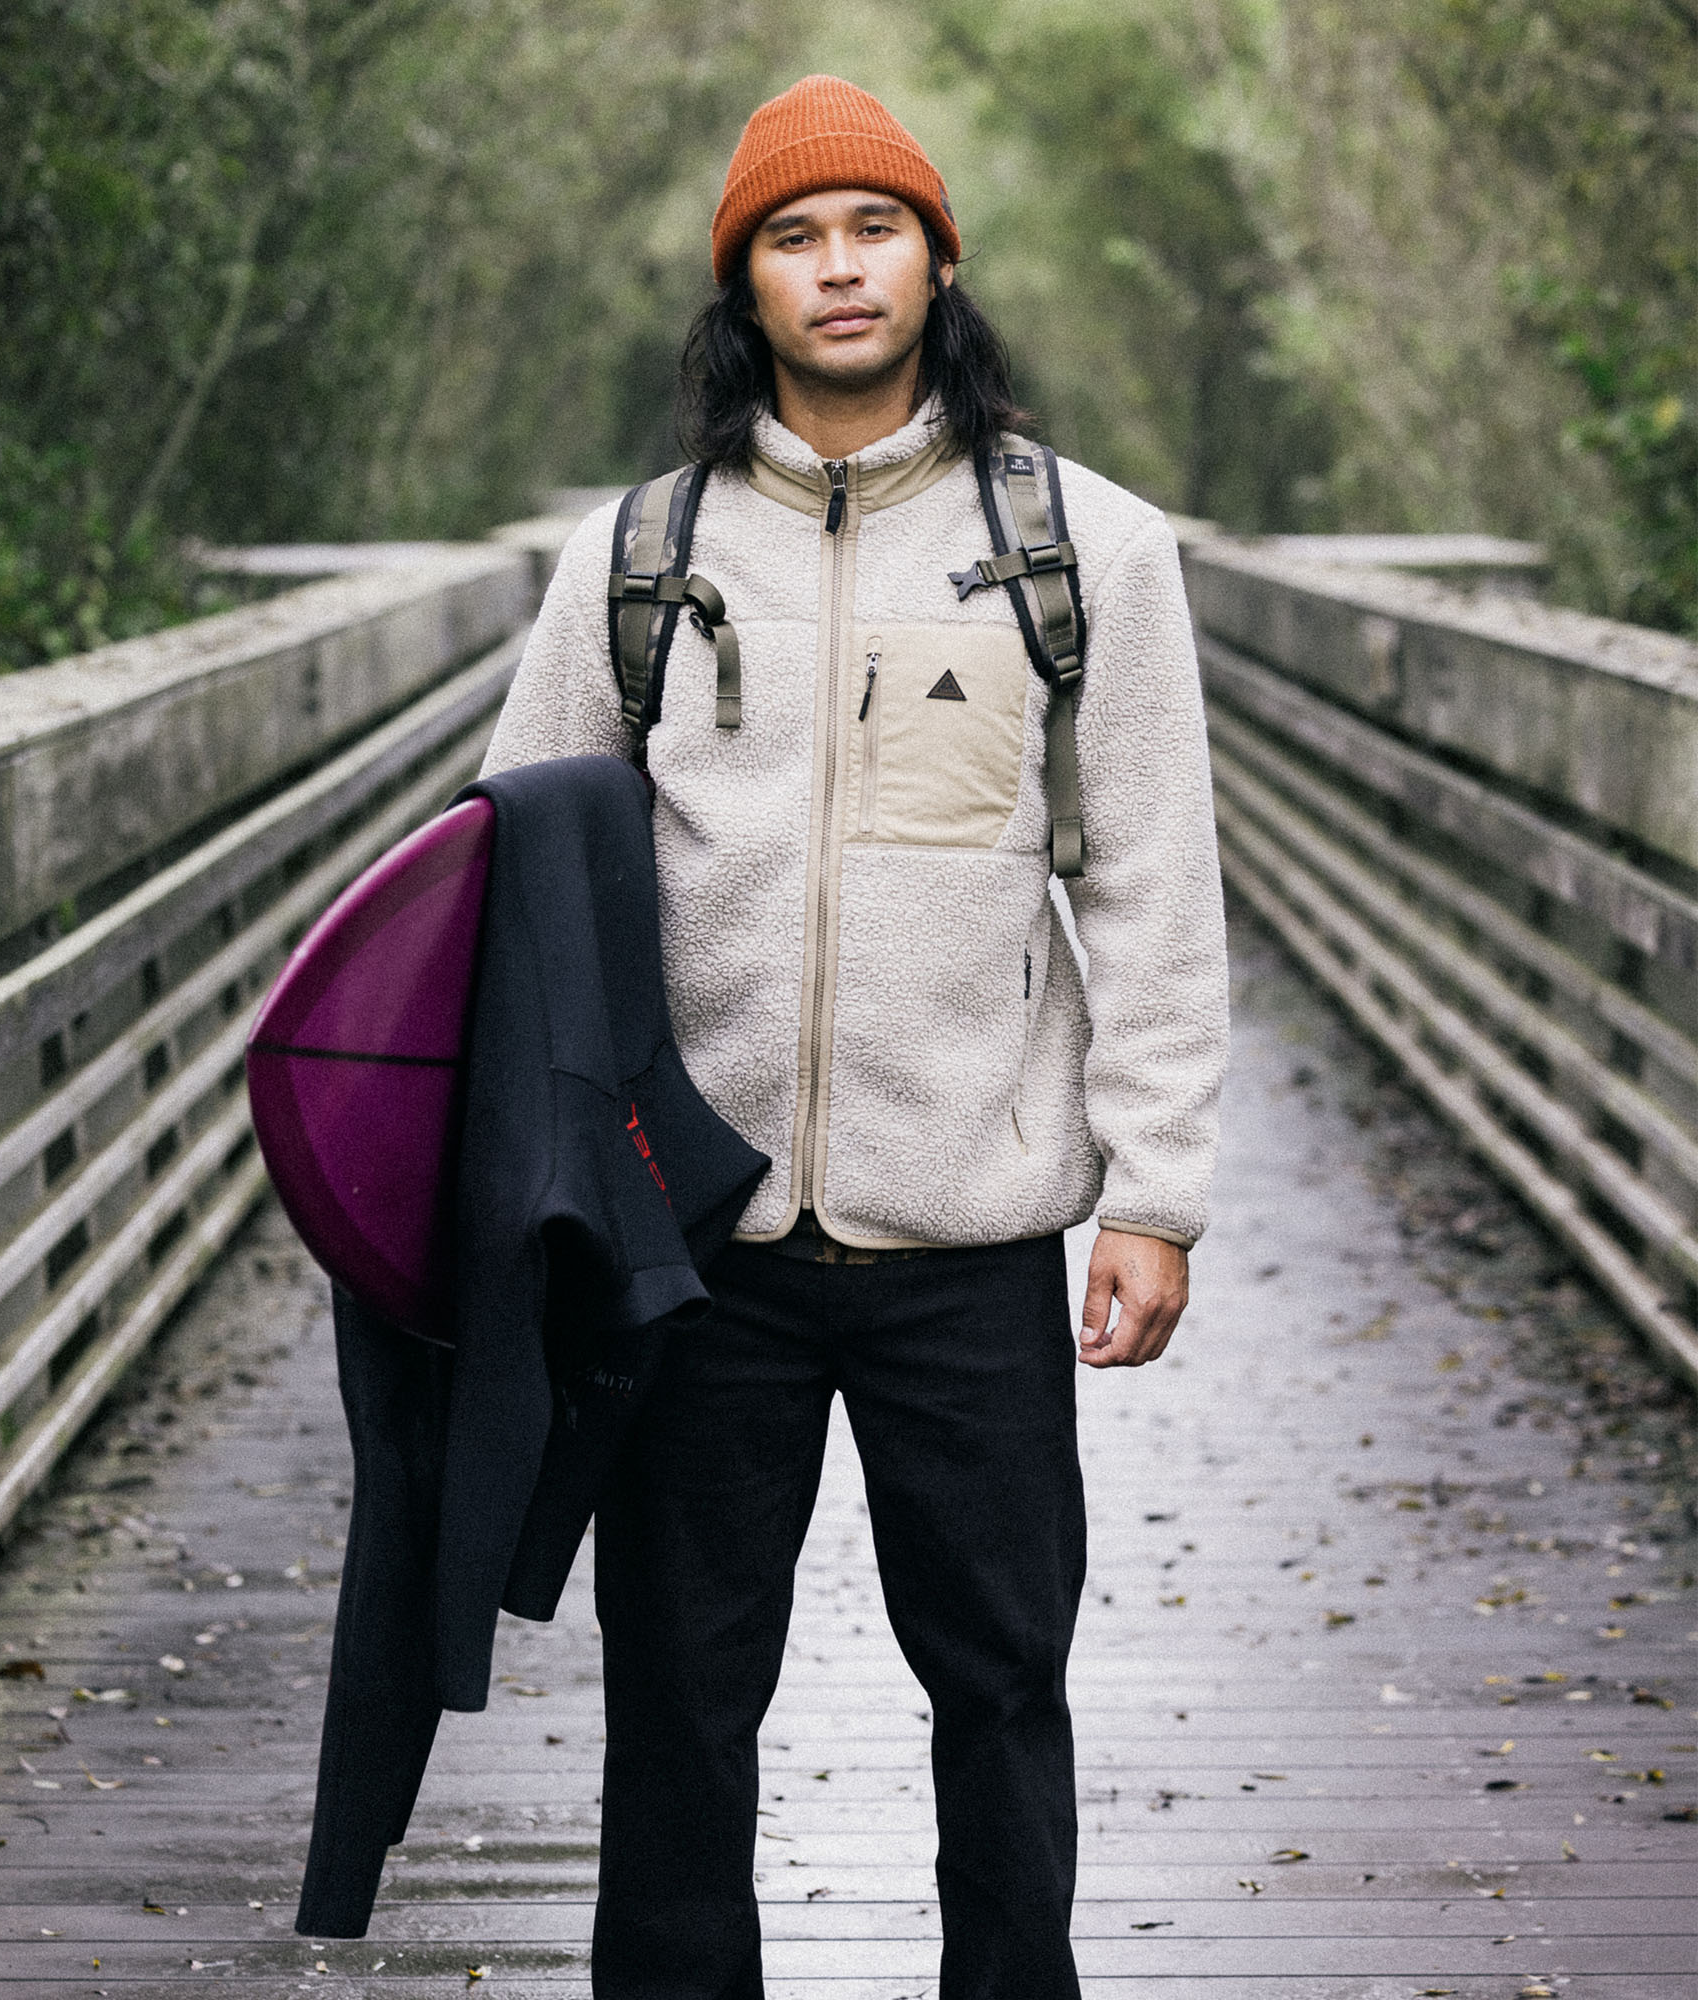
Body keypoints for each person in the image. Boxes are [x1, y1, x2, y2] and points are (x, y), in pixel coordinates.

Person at [478, 73, 1229, 2000]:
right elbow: (519, 885)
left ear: (937, 257)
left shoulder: (1091, 553)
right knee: (680, 1716)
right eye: (794, 238)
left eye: (872, 227)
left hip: (967, 1230)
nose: (838, 268)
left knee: (1000, 1697)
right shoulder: (636, 559)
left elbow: (1150, 878)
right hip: (694, 1243)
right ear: (745, 283)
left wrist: (1157, 1191)